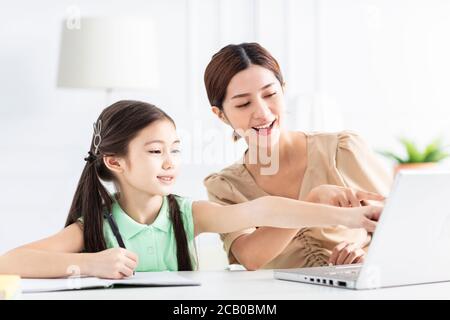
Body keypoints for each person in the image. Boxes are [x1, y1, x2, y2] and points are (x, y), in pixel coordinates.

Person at [0, 100, 382, 279]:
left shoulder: (187, 214)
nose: (169, 162)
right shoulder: (94, 229)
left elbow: (263, 210)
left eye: (175, 150)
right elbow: (8, 263)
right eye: (154, 152)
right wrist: (89, 263)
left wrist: (348, 216)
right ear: (115, 162)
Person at [203, 43, 392, 270]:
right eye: (244, 104)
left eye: (270, 94)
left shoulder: (341, 151)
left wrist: (365, 259)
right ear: (221, 115)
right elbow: (250, 257)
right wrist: (311, 203)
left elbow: (404, 224)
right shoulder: (226, 186)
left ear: (283, 90)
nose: (263, 113)